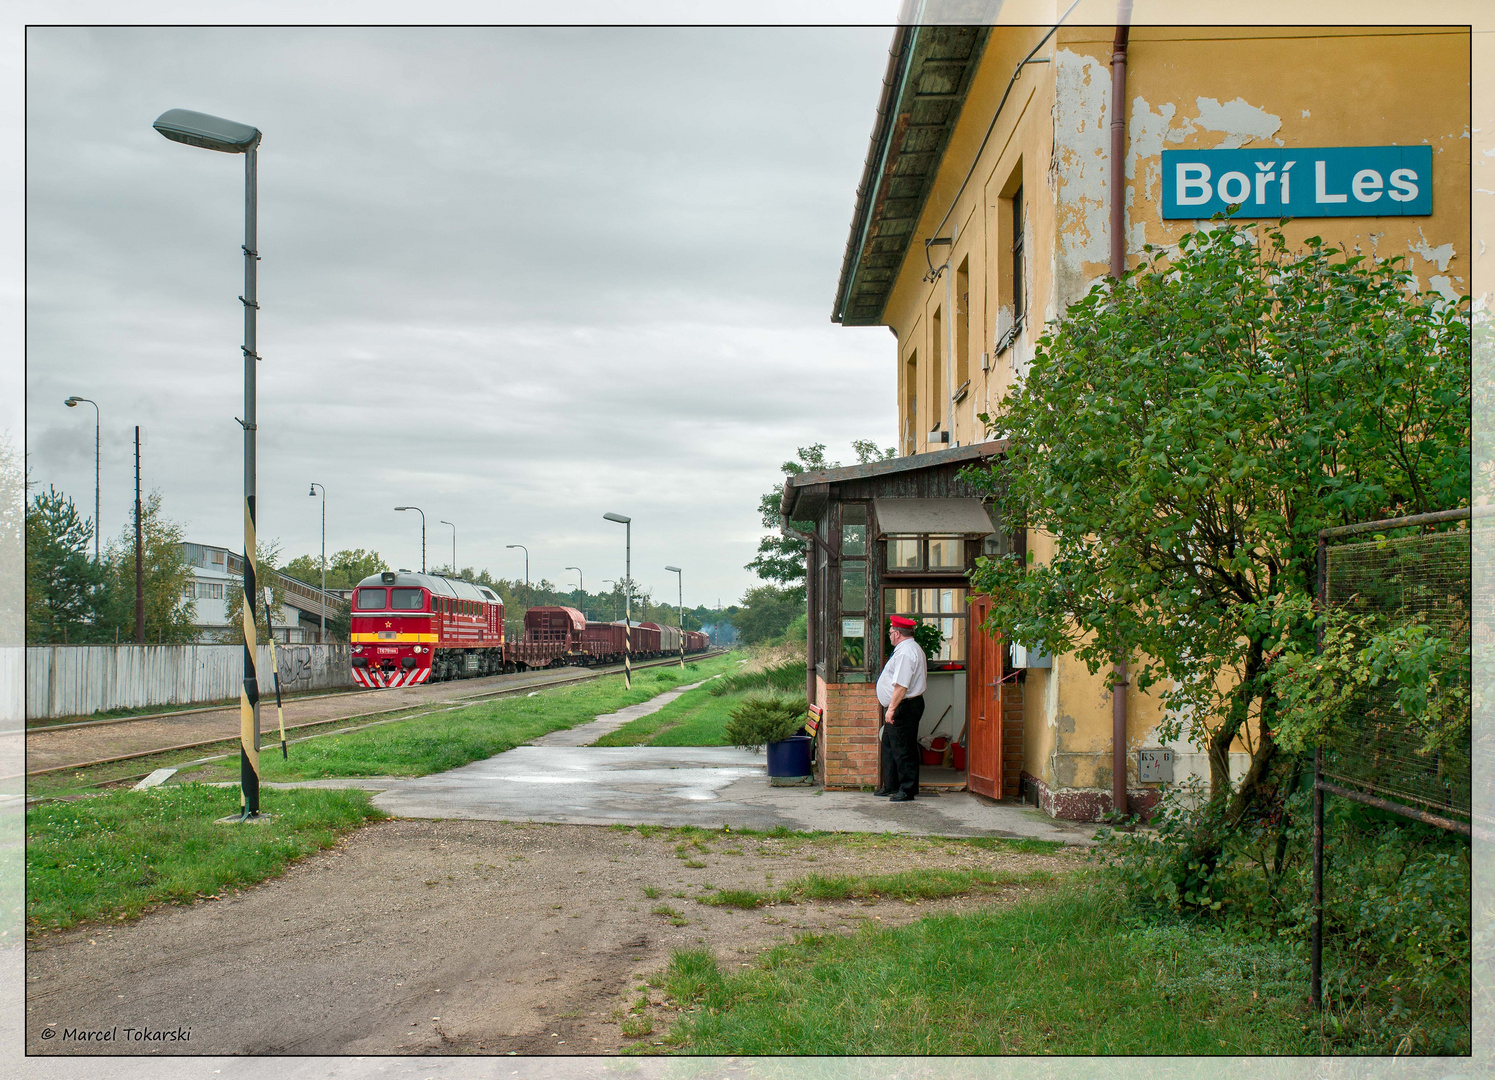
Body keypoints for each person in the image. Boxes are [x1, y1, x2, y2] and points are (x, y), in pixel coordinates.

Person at [874, 615, 928, 802]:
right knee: (890, 744)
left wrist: (891, 709)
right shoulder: (907, 649)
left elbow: (901, 686)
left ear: (897, 633)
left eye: (890, 633)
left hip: (904, 706)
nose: (889, 636)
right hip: (903, 705)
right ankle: (891, 785)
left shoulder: (906, 652)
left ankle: (907, 789)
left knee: (903, 748)